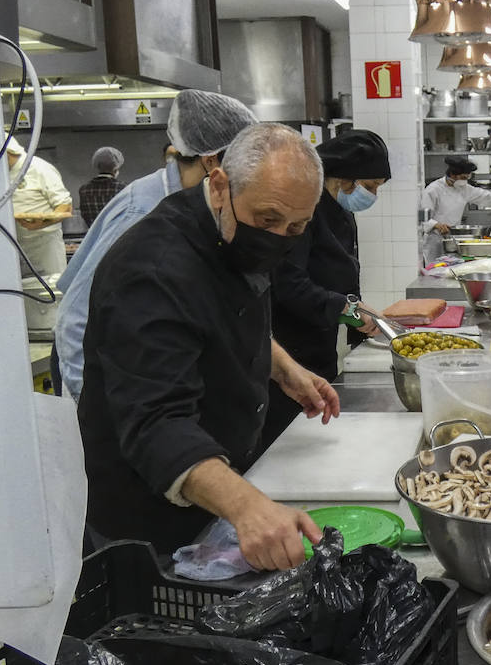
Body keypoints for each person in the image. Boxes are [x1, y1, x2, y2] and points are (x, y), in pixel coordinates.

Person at [78, 123, 339, 569]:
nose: (279, 236)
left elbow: (219, 316)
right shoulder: (152, 270)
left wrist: (282, 366)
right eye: (268, 220)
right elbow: (156, 422)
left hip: (217, 485)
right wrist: (247, 506)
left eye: (297, 226)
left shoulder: (231, 228)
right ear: (219, 185)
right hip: (150, 517)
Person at [55, 89, 257, 400]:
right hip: (103, 386)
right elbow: (76, 320)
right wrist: (99, 413)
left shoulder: (198, 207)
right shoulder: (141, 212)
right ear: (211, 160)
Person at [260, 130, 391, 451]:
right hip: (288, 352)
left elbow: (339, 272)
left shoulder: (341, 210)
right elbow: (288, 284)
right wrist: (346, 309)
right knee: (289, 444)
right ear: (345, 178)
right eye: (370, 187)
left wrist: (356, 311)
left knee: (316, 435)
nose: (372, 195)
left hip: (320, 342)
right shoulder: (307, 211)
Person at [418, 156, 491, 264]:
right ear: (452, 175)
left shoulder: (464, 189)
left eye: (467, 178)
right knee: (434, 269)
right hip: (434, 239)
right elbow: (423, 217)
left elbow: (483, 195)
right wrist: (436, 224)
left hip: (452, 238)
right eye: (463, 178)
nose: (465, 181)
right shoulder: (433, 189)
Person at [7, 137, 72, 279]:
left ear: (6, 151)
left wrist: (43, 222)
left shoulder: (38, 167)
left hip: (44, 246)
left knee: (50, 292)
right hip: (13, 247)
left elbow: (65, 207)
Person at [78, 146, 126, 227]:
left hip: (95, 237)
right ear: (116, 168)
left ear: (97, 166)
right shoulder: (123, 188)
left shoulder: (84, 190)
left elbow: (85, 216)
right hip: (116, 236)